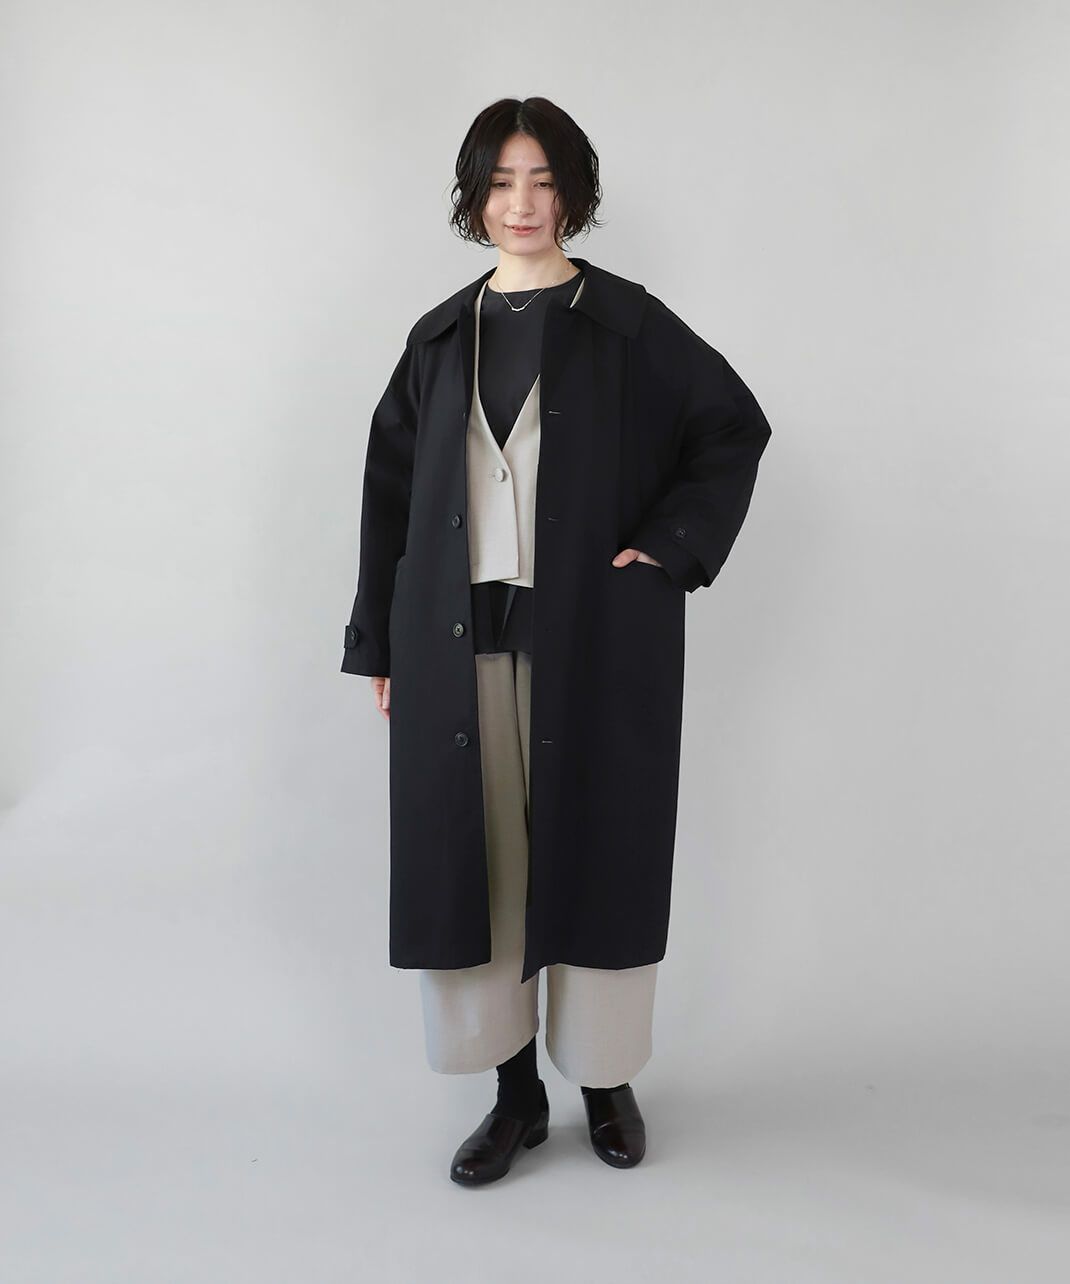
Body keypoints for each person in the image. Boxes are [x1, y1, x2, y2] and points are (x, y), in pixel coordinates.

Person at [340, 97, 772, 1186]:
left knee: (598, 849)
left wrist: (667, 548)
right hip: (455, 646)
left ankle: (605, 1082)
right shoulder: (439, 337)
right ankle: (513, 1094)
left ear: (573, 193)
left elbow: (731, 426)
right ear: (473, 198)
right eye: (499, 183)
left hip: (596, 642)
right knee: (479, 866)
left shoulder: (627, 322)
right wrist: (379, 644)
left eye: (541, 181)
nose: (521, 204)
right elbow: (388, 499)